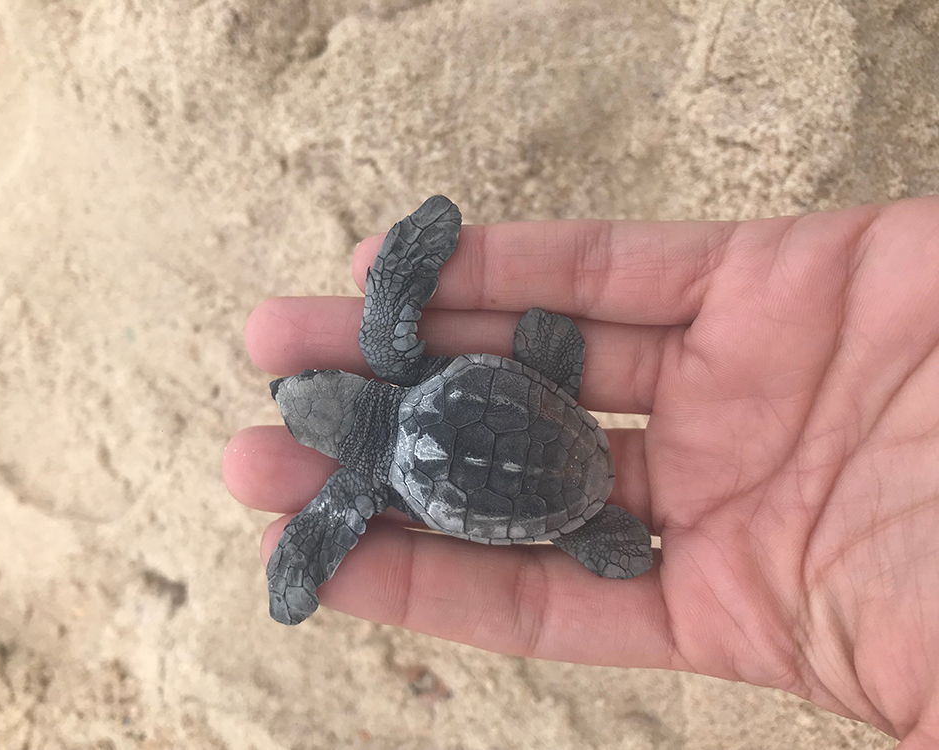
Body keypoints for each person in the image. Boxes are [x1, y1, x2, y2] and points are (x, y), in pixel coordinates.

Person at [223, 195, 939, 748]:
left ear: (340, 444)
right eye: (307, 387)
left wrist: (294, 572)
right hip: (542, 406)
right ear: (350, 388)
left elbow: (317, 535)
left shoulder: (359, 487)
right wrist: (408, 254)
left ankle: (584, 530)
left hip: (534, 501)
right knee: (524, 339)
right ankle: (567, 450)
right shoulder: (395, 367)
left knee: (527, 383)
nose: (292, 384)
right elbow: (394, 295)